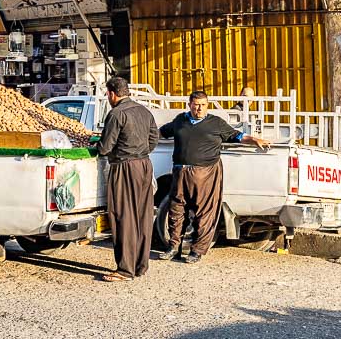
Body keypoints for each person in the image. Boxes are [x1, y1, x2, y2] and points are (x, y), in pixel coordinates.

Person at [158, 90, 271, 263]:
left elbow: (237, 136)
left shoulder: (215, 123)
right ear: (190, 105)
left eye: (203, 105)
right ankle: (173, 247)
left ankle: (197, 251)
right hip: (180, 172)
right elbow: (161, 133)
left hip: (205, 173)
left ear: (207, 106)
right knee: (176, 210)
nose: (199, 109)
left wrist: (255, 140)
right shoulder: (180, 121)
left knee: (204, 213)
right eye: (196, 105)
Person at [96, 76, 158, 282]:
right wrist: (140, 152)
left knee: (123, 217)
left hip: (124, 167)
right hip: (144, 165)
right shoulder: (144, 111)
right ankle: (140, 265)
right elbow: (153, 139)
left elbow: (105, 148)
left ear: (112, 94)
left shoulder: (116, 114)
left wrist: (96, 141)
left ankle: (124, 269)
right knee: (143, 216)